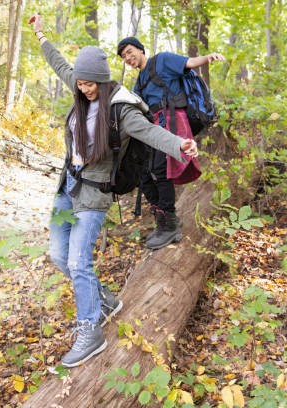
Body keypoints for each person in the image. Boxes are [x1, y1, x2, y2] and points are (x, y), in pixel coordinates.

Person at [29, 16, 199, 368]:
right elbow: (59, 62)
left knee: (79, 261)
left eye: (92, 84)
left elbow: (151, 132)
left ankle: (90, 330)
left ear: (103, 82)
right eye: (81, 83)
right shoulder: (77, 85)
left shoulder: (120, 109)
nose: (86, 89)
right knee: (60, 257)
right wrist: (42, 34)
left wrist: (181, 145)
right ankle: (104, 300)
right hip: (67, 188)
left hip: (94, 195)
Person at [117, 37, 224, 250]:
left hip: (173, 120)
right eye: (124, 56)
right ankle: (164, 221)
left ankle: (169, 225)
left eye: (130, 52)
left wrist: (208, 58)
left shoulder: (162, 60)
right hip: (154, 128)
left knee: (160, 169)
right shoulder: (138, 83)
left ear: (139, 49)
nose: (128, 58)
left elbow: (189, 62)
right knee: (145, 174)